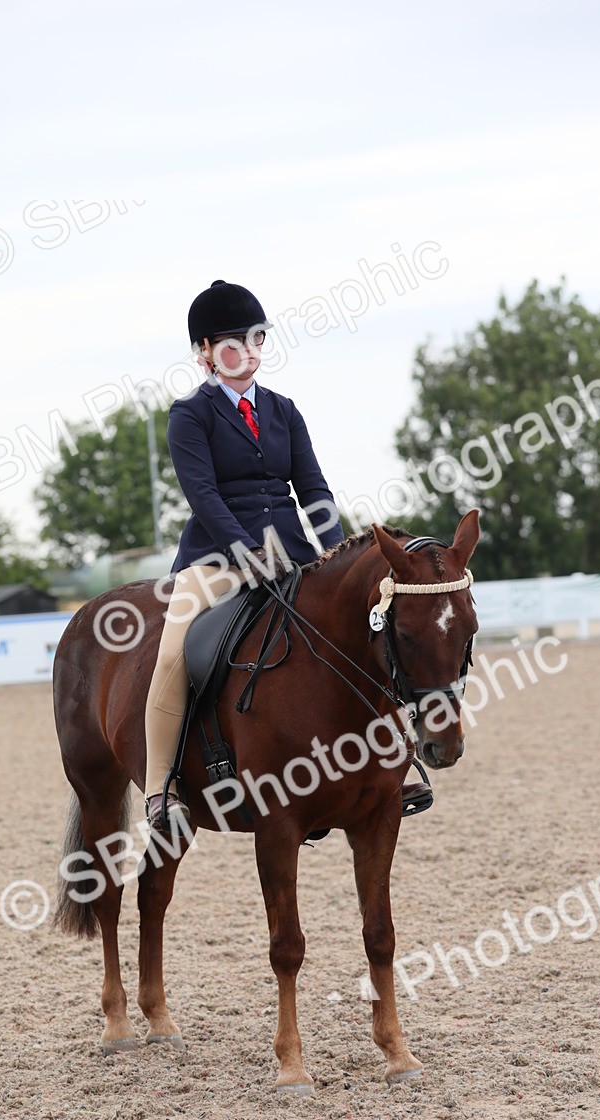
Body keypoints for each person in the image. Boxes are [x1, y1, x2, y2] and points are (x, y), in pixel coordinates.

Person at [144, 280, 345, 830]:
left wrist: (340, 551)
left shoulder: (284, 410)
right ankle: (161, 788)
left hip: (294, 552)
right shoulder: (191, 415)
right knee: (171, 657)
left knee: (360, 634)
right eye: (235, 341)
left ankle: (388, 767)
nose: (250, 351)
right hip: (216, 557)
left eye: (257, 338)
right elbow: (203, 496)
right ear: (206, 351)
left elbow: (314, 490)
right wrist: (248, 553)